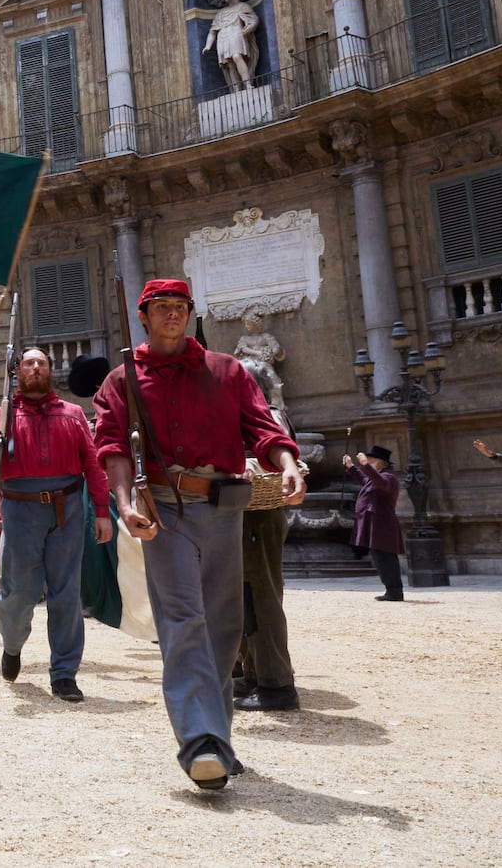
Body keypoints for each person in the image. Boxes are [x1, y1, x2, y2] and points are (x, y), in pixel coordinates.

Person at [93, 278, 302, 791]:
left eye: (180, 307)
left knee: (225, 627)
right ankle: (199, 742)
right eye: (161, 307)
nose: (172, 315)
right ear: (143, 315)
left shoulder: (228, 371)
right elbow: (113, 446)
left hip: (226, 506)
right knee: (183, 620)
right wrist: (123, 503)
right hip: (165, 509)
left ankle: (218, 741)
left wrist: (288, 462)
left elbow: (262, 426)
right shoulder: (123, 381)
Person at [0, 350, 111, 698]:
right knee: (17, 593)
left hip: (66, 509)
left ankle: (64, 672)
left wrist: (101, 510)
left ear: (51, 371)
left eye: (42, 363)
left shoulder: (72, 414)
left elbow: (94, 464)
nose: (36, 367)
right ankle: (12, 645)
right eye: (29, 363)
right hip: (20, 510)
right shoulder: (4, 415)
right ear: (18, 371)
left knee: (66, 592)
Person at [234, 361, 300, 711]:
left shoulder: (268, 415)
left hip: (258, 514)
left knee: (262, 599)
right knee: (247, 599)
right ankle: (254, 675)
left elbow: (270, 459)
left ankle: (276, 686)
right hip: (244, 514)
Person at [344, 446, 405, 602]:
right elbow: (365, 479)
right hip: (375, 524)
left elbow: (379, 482)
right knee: (379, 556)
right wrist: (352, 467)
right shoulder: (375, 478)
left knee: (385, 557)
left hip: (382, 524)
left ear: (381, 463)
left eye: (371, 461)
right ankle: (391, 590)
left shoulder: (388, 478)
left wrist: (364, 465)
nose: (369, 464)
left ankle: (394, 592)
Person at [204, 0, 259, 92]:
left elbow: (254, 19)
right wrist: (208, 45)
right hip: (222, 37)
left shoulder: (243, 6)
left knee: (237, 57)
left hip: (236, 33)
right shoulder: (221, 12)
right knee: (229, 63)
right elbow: (212, 31)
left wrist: (249, 28)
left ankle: (247, 84)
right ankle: (236, 90)